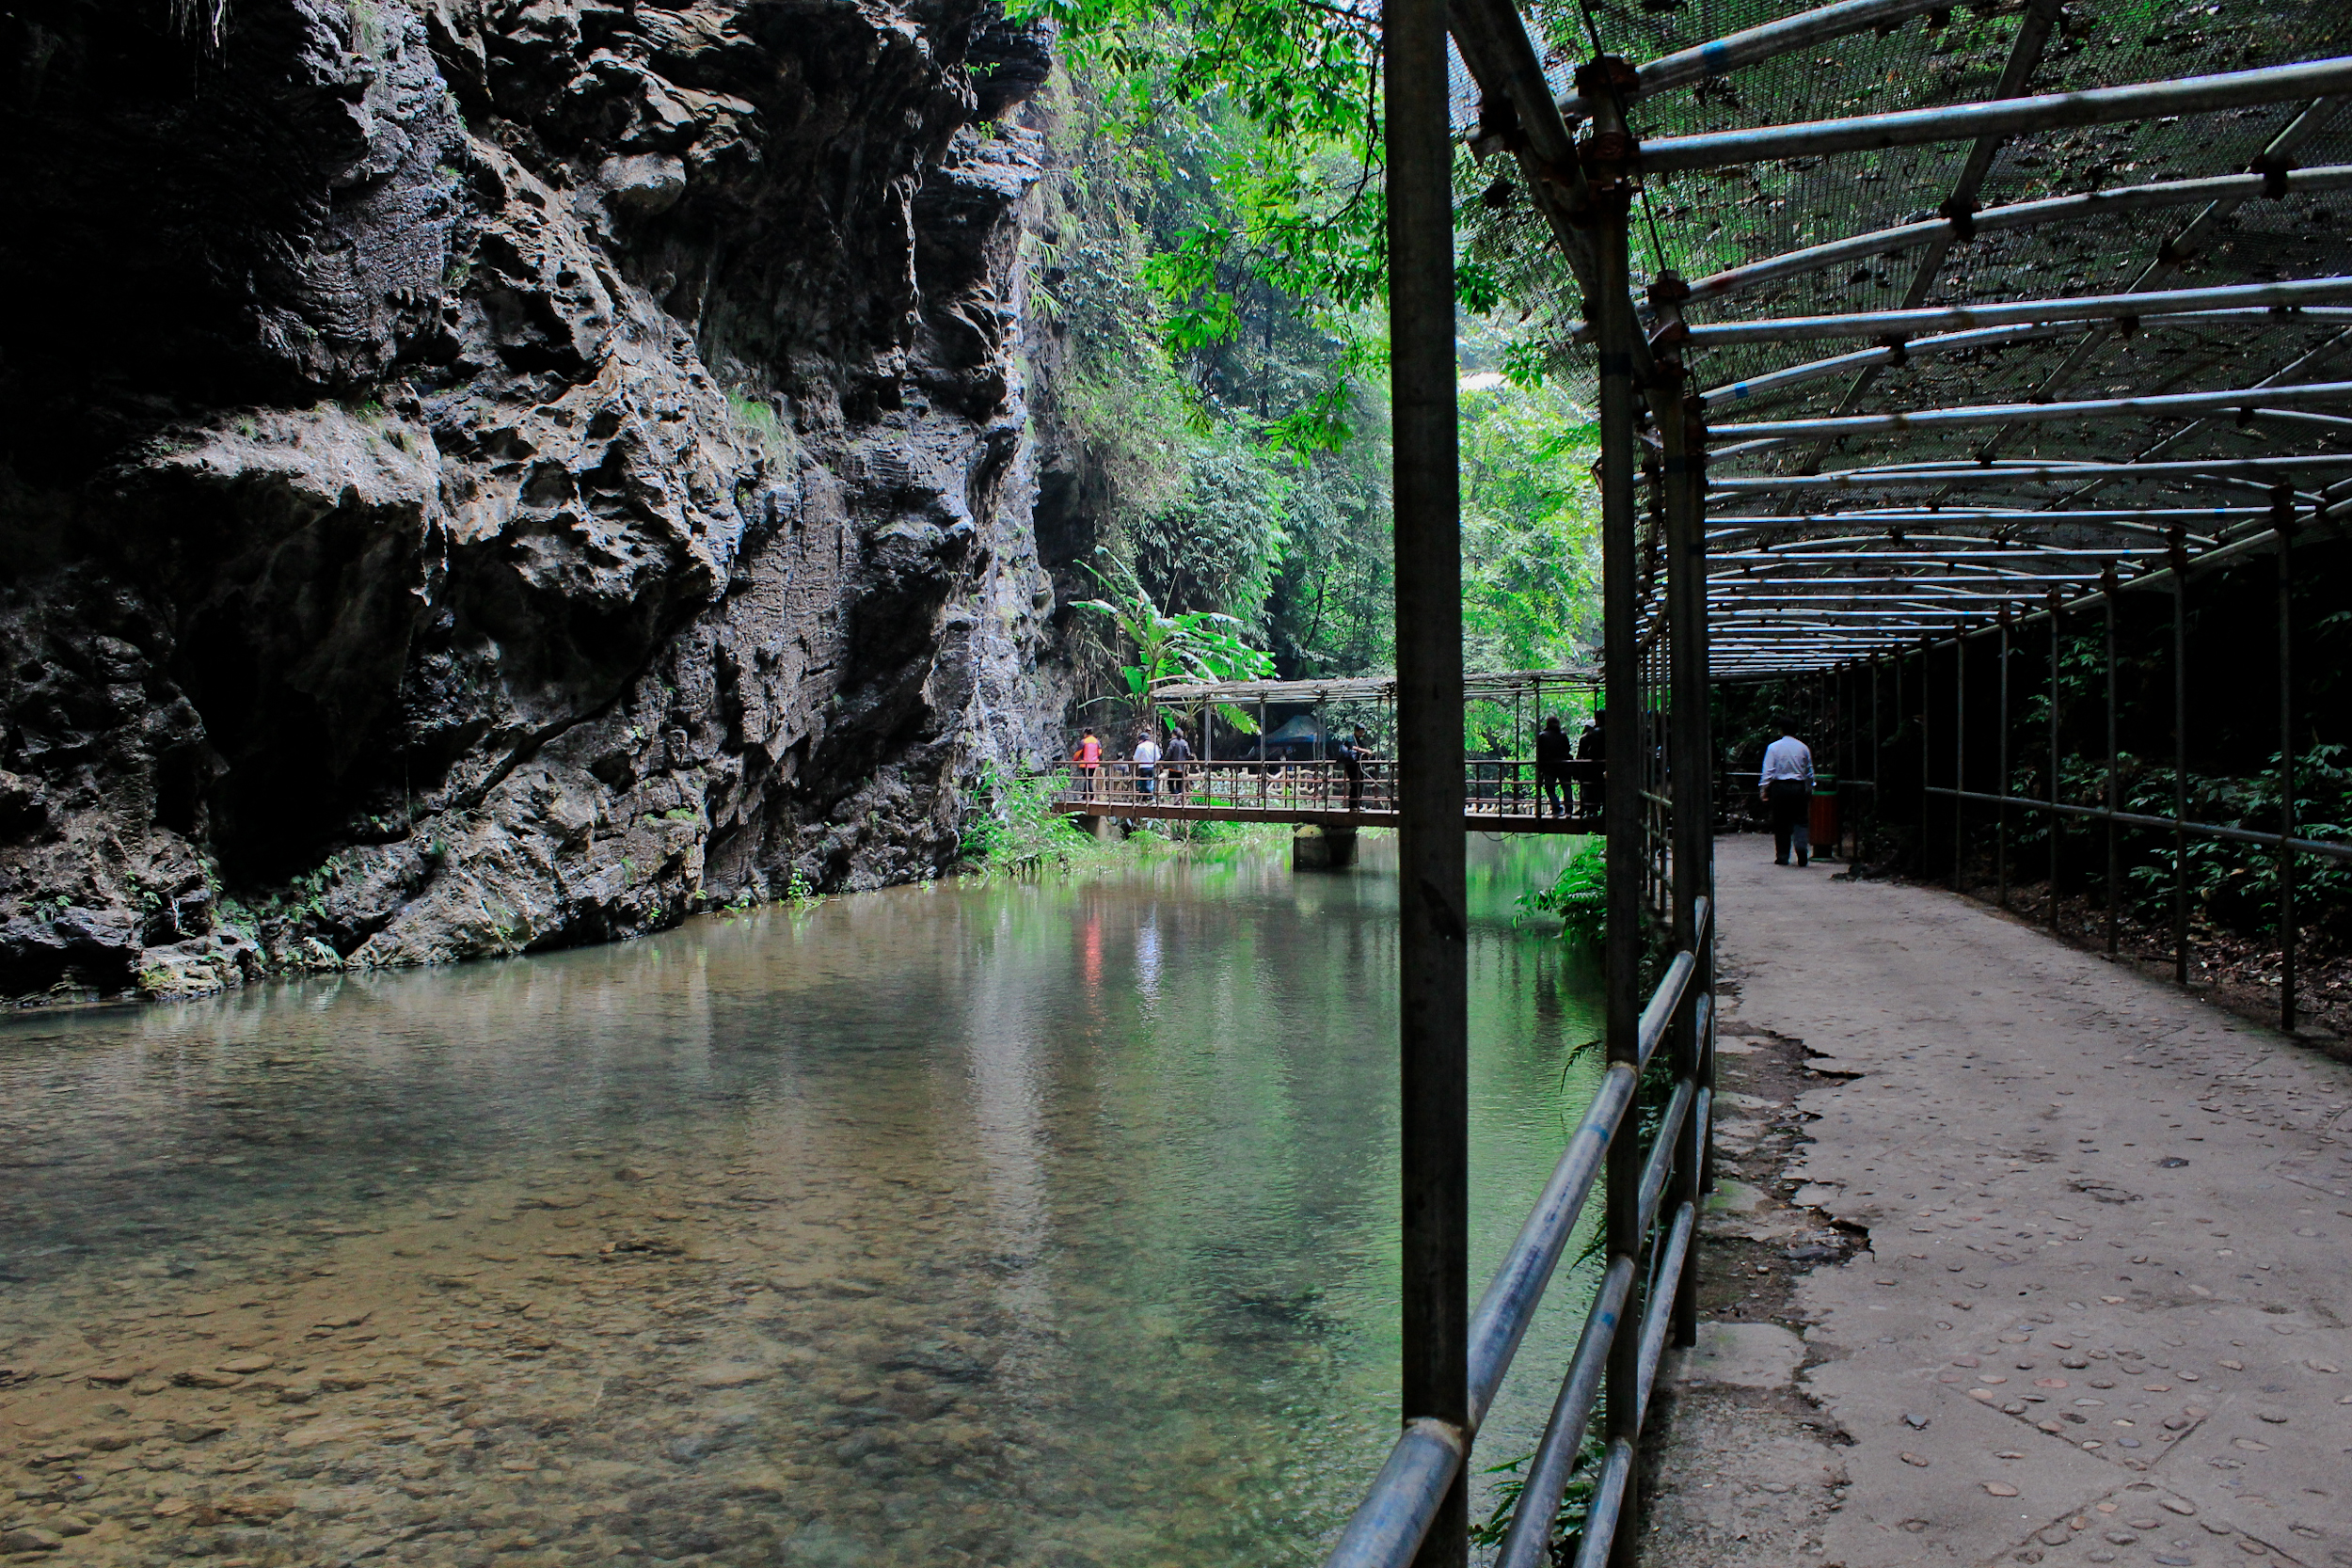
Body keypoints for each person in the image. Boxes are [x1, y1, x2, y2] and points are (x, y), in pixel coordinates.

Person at [1758, 721, 1816, 867]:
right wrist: (1809, 788)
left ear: (1781, 731)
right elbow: (1809, 772)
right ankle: (1801, 847)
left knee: (1781, 822)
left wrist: (1764, 790)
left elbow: (1768, 771)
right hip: (1798, 787)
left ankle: (1783, 856)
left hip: (1780, 787)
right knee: (1801, 820)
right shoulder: (1803, 748)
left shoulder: (1773, 747)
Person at [1534, 715, 1572, 819]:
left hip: (1549, 767)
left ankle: (1557, 808)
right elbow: (1568, 748)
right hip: (1563, 765)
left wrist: (1540, 767)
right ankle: (1569, 811)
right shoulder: (1562, 735)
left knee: (1550, 789)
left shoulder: (1543, 736)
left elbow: (1539, 753)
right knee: (1566, 787)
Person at [1576, 710, 1605, 818]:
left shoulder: (1587, 737)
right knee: (1600, 789)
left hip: (1589, 768)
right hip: (1599, 767)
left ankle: (1589, 810)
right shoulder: (1605, 733)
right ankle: (1598, 810)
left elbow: (1585, 752)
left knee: (1588, 789)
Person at [1334, 727, 1368, 812]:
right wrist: (1365, 750)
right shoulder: (1350, 738)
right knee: (1354, 784)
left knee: (1360, 784)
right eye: (1360, 732)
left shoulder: (1359, 740)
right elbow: (1353, 747)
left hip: (1358, 764)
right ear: (1356, 731)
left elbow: (1360, 751)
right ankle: (1352, 805)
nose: (1361, 735)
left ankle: (1358, 804)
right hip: (1351, 764)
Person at [1162, 726, 1192, 800]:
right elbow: (1188, 754)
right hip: (1181, 767)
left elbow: (1169, 754)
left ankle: (1175, 796)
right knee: (1179, 784)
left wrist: (1164, 762)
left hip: (1173, 767)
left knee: (1170, 783)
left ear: (1174, 734)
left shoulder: (1172, 742)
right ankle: (1179, 797)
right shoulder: (1185, 743)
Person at [1132, 729, 1161, 800]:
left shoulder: (1140, 746)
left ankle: (1151, 798)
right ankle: (1144, 799)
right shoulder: (1154, 745)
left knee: (1145, 782)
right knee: (1149, 782)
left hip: (1143, 767)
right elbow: (1158, 757)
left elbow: (1136, 758)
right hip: (1152, 766)